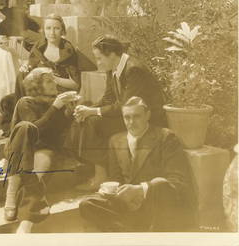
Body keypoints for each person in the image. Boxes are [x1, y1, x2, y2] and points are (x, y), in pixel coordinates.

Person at [78, 96, 197, 232]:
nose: (131, 122)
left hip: (156, 204)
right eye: (127, 117)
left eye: (136, 116)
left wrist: (141, 190)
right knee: (87, 204)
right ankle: (130, 232)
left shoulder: (166, 137)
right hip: (128, 206)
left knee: (159, 184)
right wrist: (111, 192)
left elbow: (178, 182)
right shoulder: (115, 140)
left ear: (148, 115)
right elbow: (116, 179)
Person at [65, 34, 166, 191]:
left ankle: (101, 175)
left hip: (145, 118)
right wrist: (86, 110)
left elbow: (125, 105)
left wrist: (93, 112)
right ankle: (93, 168)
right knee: (85, 117)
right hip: (127, 115)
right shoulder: (113, 68)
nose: (97, 62)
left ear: (112, 55)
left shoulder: (134, 69)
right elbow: (108, 98)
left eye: (99, 58)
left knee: (93, 122)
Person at [3, 67, 78, 233]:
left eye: (54, 80)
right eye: (49, 81)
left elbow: (56, 133)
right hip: (23, 146)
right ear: (37, 85)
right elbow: (35, 130)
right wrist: (56, 108)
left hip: (46, 148)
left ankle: (25, 221)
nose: (54, 83)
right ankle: (12, 191)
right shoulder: (26, 102)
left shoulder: (57, 102)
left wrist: (69, 114)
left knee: (38, 169)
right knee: (24, 127)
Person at [0, 14, 80, 138]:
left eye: (56, 28)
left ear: (62, 30)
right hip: (37, 88)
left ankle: (21, 131)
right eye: (48, 28)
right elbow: (31, 66)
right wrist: (26, 67)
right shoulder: (40, 46)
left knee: (26, 103)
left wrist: (52, 79)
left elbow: (75, 84)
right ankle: (12, 129)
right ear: (44, 30)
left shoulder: (67, 50)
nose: (52, 33)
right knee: (7, 100)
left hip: (56, 91)